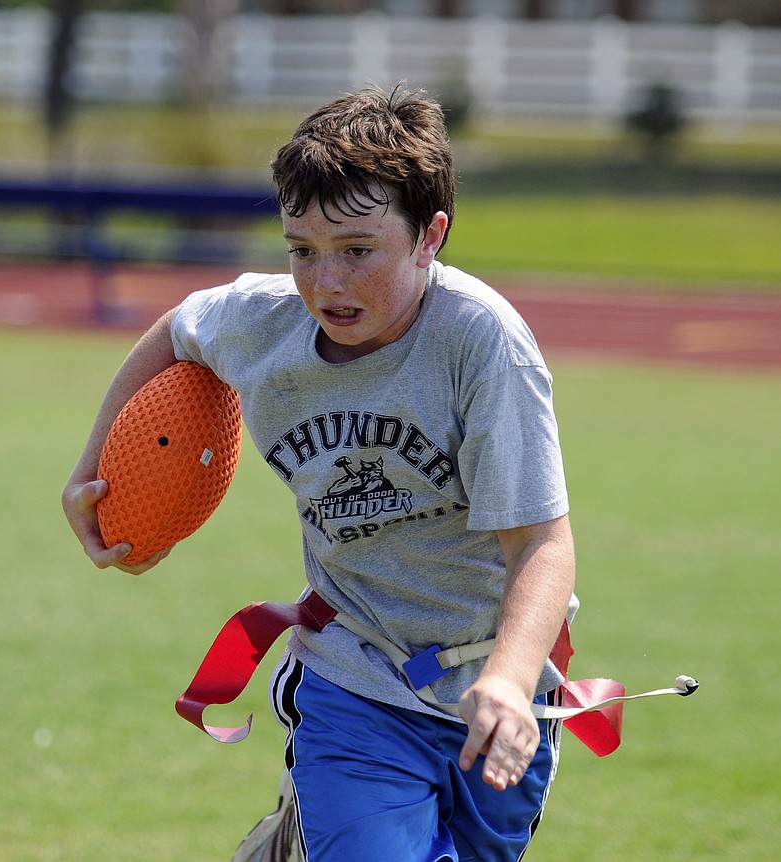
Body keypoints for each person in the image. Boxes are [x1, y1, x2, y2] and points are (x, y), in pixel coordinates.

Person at [62, 83, 577, 862]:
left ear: (430, 236)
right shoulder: (263, 322)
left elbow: (541, 542)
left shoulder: (482, 345)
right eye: (301, 249)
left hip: (495, 687)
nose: (325, 283)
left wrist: (507, 681)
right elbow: (179, 329)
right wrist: (92, 471)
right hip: (355, 673)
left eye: (358, 251)